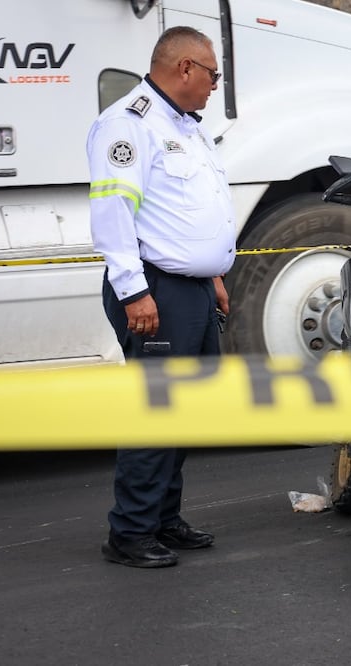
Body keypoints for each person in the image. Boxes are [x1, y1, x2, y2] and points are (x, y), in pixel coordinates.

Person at [87, 26, 235, 567]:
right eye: (213, 74)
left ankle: (162, 520)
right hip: (155, 291)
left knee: (184, 412)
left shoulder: (187, 127)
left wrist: (213, 275)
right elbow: (113, 215)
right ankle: (129, 532)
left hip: (189, 289)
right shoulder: (127, 125)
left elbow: (188, 211)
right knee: (155, 414)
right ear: (186, 69)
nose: (216, 85)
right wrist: (134, 293)